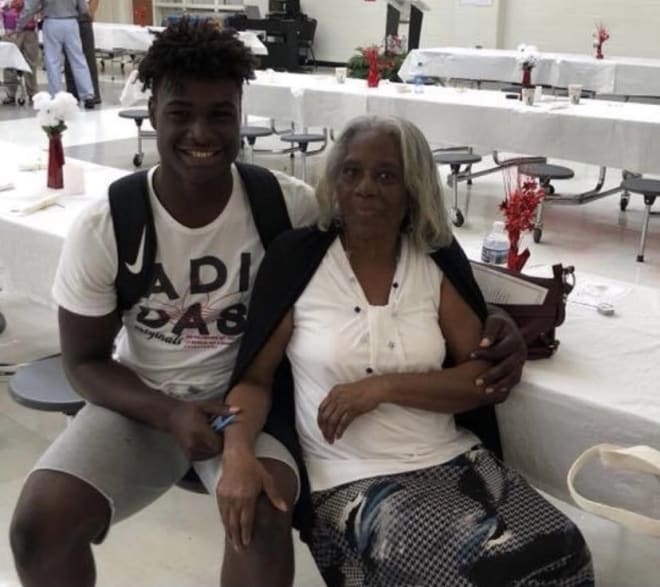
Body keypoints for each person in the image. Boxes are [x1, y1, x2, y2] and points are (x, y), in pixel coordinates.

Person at [9, 20, 526, 587]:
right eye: (180, 113)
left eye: (220, 113)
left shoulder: (285, 205)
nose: (200, 131)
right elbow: (83, 363)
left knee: (259, 518)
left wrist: (496, 314)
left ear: (240, 112)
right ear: (151, 112)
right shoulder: (109, 225)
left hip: (251, 407)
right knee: (38, 524)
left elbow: (395, 243)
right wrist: (170, 413)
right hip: (147, 403)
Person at [218, 116, 594, 586]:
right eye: (351, 172)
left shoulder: (434, 258)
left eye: (385, 175)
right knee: (481, 573)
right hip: (349, 475)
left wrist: (383, 387)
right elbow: (253, 380)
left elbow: (480, 380)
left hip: (453, 456)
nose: (365, 188)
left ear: (413, 187)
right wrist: (235, 453)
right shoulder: (298, 259)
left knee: (566, 553)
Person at [17, 0, 95, 108]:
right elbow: (83, 7)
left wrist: (20, 24)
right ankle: (88, 96)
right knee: (78, 60)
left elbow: (31, 6)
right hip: (71, 22)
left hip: (51, 22)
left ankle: (57, 96)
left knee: (52, 61)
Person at [1, 0, 39, 105]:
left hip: (29, 27)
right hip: (10, 27)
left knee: (31, 62)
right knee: (9, 62)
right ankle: (10, 93)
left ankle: (33, 92)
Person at [64, 0, 100, 104]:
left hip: (82, 16)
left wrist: (91, 12)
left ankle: (92, 94)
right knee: (69, 58)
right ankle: (72, 93)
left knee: (88, 57)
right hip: (69, 16)